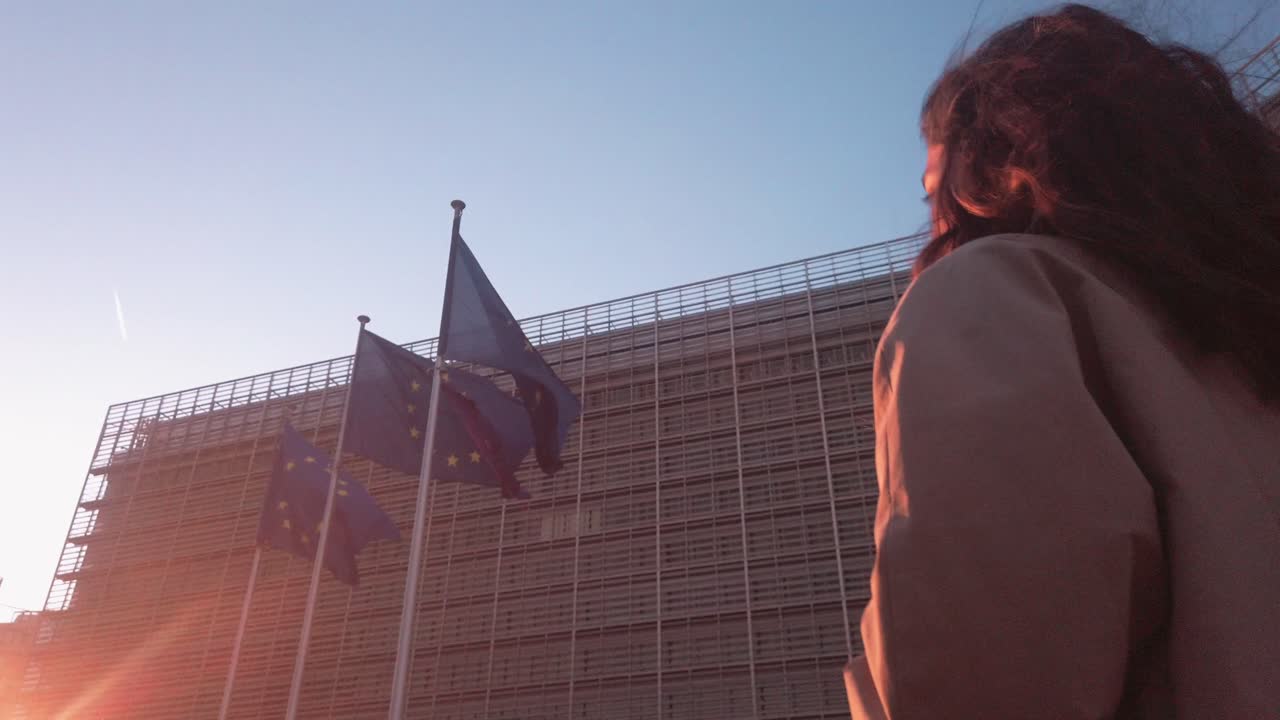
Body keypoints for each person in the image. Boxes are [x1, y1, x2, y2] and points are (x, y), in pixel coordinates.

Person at [845, 5, 1280, 718]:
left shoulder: (997, 294)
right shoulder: (1247, 338)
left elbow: (978, 679)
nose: (932, 223)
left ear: (990, 159)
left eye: (933, 189)